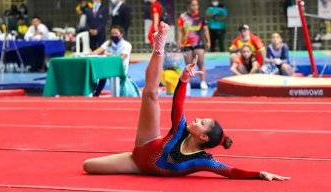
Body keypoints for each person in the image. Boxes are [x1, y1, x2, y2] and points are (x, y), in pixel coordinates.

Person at [83, 22, 290, 181]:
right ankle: (159, 45)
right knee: (151, 94)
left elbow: (230, 171)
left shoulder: (201, 161)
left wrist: (260, 174)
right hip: (144, 146)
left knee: (88, 165)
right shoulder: (180, 129)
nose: (198, 119)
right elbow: (178, 104)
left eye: (202, 123)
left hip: (136, 165)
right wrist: (183, 80)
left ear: (203, 136)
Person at [177, 0, 210, 90]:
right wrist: (179, 42)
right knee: (188, 65)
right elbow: (180, 30)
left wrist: (208, 41)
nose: (195, 7)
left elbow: (205, 29)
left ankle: (203, 82)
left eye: (196, 5)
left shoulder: (201, 16)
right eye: (193, 5)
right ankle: (187, 83)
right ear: (188, 5)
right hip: (186, 43)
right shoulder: (183, 17)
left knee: (201, 63)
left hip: (199, 42)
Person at [91, 25, 132, 97]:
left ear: (121, 34)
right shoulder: (108, 43)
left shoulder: (127, 45)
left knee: (120, 90)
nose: (114, 35)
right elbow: (97, 51)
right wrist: (91, 53)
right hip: (108, 68)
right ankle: (95, 93)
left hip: (120, 69)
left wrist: (109, 55)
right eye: (112, 34)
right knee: (98, 72)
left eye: (116, 34)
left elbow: (121, 58)